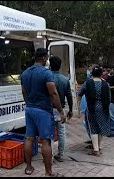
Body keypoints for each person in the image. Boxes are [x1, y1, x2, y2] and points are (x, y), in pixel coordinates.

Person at [21, 48, 66, 176]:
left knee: (29, 139)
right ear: (44, 59)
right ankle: (48, 172)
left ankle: (29, 168)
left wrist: (29, 103)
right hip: (43, 111)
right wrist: (61, 111)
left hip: (29, 109)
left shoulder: (25, 73)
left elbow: (24, 92)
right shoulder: (46, 73)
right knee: (46, 141)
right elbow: (53, 93)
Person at [78, 65, 111, 157]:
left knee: (93, 127)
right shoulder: (106, 84)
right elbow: (109, 98)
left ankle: (95, 150)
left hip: (91, 108)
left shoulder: (87, 83)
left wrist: (78, 105)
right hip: (103, 108)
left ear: (92, 73)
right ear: (101, 74)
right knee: (101, 127)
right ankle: (99, 147)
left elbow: (79, 93)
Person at [49, 56, 73, 162]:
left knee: (48, 133)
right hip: (60, 110)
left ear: (50, 65)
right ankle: (60, 155)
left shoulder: (47, 78)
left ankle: (48, 155)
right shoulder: (65, 79)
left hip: (48, 109)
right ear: (60, 66)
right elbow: (69, 96)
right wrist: (71, 109)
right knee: (62, 132)